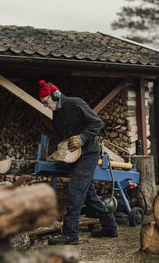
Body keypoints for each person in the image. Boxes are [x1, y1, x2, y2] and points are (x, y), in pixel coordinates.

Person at [39, 79, 118, 245]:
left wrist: (83, 137)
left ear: (55, 95)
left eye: (45, 102)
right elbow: (56, 134)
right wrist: (51, 152)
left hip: (89, 153)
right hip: (74, 155)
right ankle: (110, 226)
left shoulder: (76, 104)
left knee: (75, 190)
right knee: (88, 195)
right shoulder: (57, 113)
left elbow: (97, 122)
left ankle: (70, 234)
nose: (45, 105)